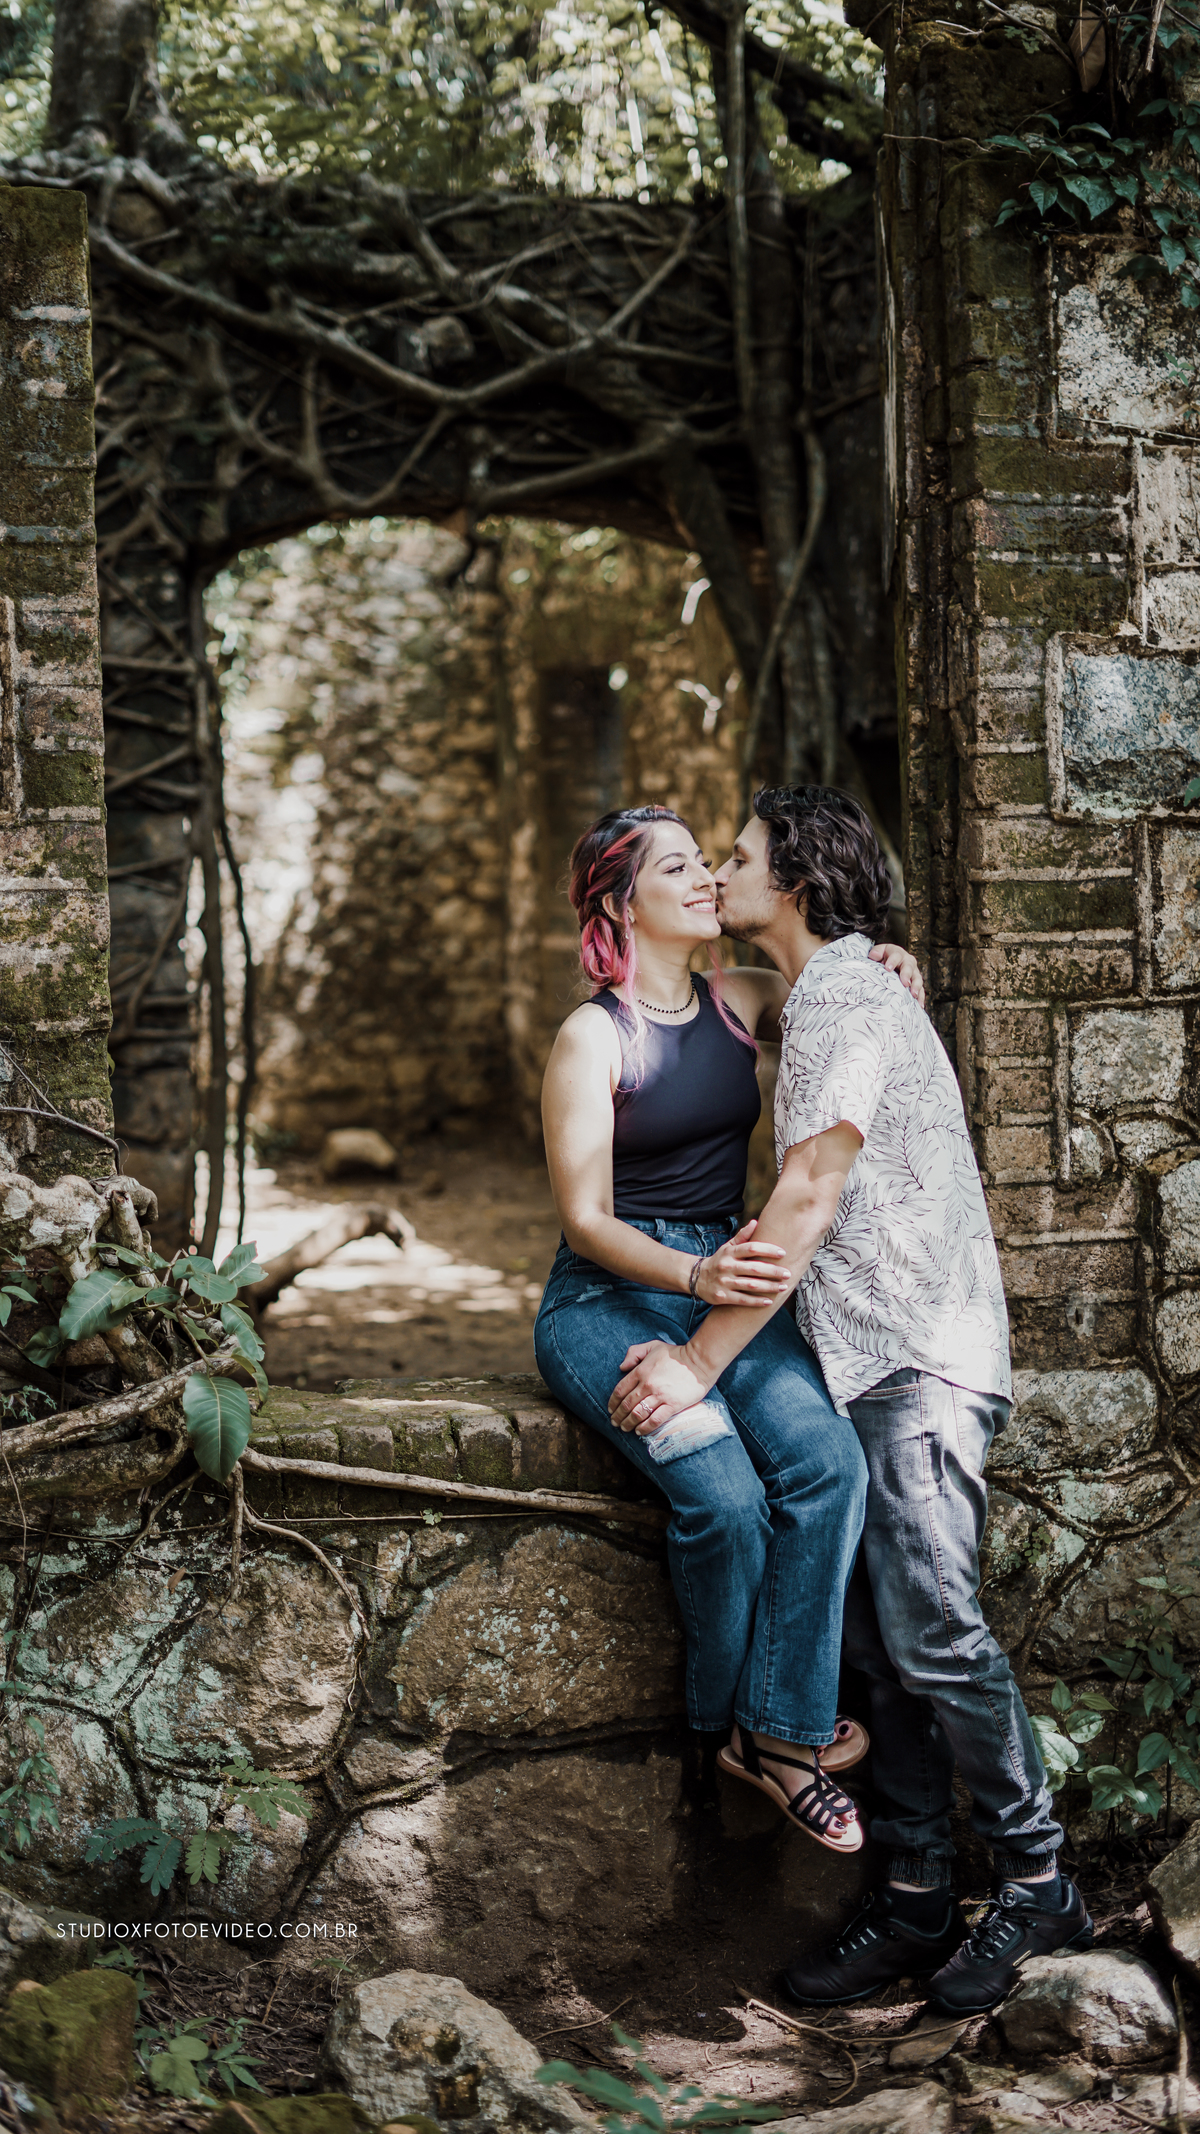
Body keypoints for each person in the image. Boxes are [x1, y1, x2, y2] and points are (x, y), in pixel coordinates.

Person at [609, 786, 1092, 2016]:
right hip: (868, 1364)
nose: (721, 873)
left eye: (739, 856)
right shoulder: (833, 992)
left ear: (797, 882)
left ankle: (1040, 1881)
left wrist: (697, 1362)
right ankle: (918, 1895)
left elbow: (809, 1195)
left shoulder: (843, 998)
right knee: (878, 1646)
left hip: (917, 1361)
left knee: (935, 1632)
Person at [534, 804, 924, 1854]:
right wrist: (694, 1272)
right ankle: (732, 1733)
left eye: (709, 859)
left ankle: (776, 1730)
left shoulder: (743, 997)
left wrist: (885, 958)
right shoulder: (592, 1035)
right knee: (724, 1498)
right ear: (623, 904)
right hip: (607, 1297)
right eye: (678, 867)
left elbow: (837, 994)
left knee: (828, 1467)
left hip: (728, 1282)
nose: (707, 876)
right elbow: (586, 1217)